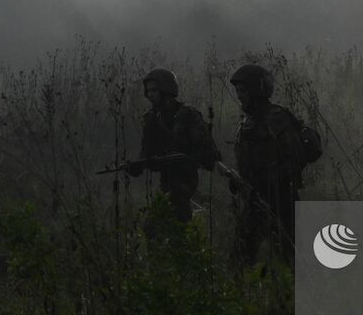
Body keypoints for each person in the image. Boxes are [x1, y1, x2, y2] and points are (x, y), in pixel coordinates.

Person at [229, 63, 308, 264]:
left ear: (257, 90)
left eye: (244, 90)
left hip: (281, 200)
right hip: (254, 199)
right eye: (238, 91)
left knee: (290, 258)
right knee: (239, 258)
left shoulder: (277, 119)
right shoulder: (248, 122)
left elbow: (294, 159)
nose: (239, 95)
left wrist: (269, 181)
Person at [128, 68, 219, 224]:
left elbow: (209, 153)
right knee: (159, 226)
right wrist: (138, 165)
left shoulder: (186, 114)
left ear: (166, 89)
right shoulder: (151, 118)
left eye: (154, 90)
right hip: (166, 179)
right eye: (148, 91)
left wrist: (185, 159)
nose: (150, 94)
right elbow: (146, 150)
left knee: (166, 221)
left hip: (186, 179)